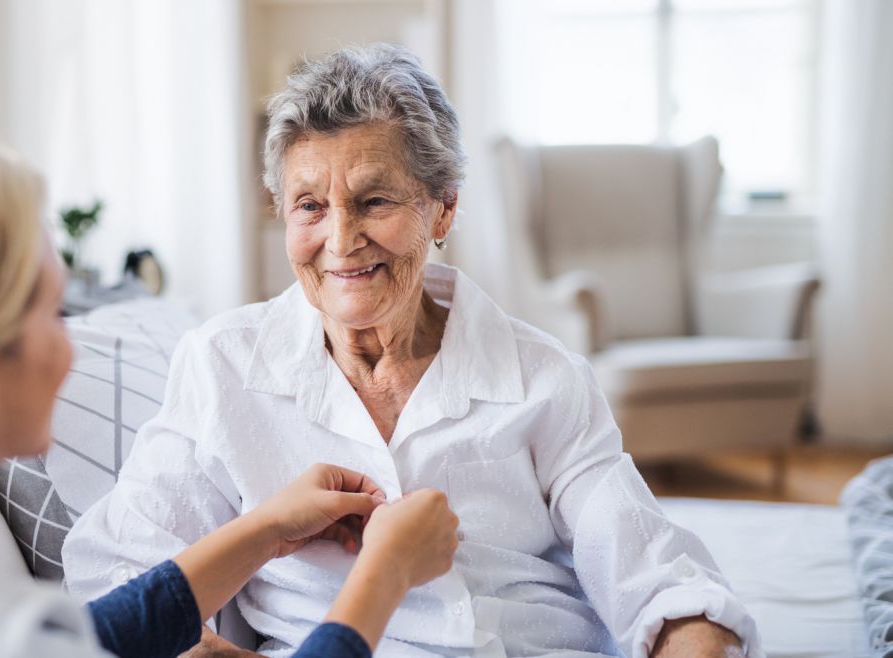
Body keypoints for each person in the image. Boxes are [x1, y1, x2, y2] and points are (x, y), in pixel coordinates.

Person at [62, 44, 762, 658]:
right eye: (310, 206)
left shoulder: (544, 378)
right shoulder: (221, 366)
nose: (340, 240)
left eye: (374, 202)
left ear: (443, 208)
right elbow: (118, 576)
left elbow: (664, 585)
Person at [0, 130, 460, 658]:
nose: (73, 343)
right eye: (52, 312)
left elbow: (94, 640)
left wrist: (263, 530)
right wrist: (383, 574)